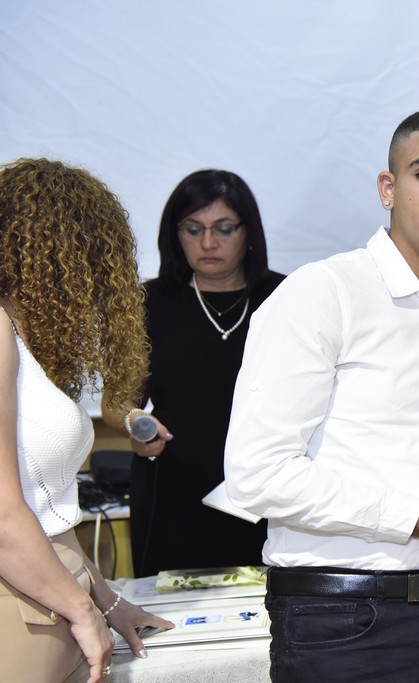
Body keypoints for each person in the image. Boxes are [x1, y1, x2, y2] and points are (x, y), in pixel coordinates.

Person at [224, 106, 419, 682]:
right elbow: (256, 473)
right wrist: (417, 518)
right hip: (344, 622)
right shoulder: (324, 292)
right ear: (388, 188)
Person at [0, 158, 173, 682]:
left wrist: (107, 601)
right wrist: (81, 610)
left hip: (53, 599)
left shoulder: (23, 338)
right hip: (24, 607)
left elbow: (49, 511)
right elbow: (4, 514)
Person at [101, 170, 285, 577]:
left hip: (269, 488)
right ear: (175, 234)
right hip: (174, 486)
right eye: (193, 229)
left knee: (274, 604)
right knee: (174, 606)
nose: (208, 243)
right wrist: (137, 423)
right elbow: (117, 401)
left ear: (249, 232)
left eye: (224, 228)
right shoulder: (147, 303)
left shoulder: (286, 297)